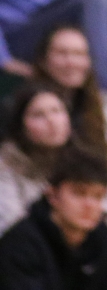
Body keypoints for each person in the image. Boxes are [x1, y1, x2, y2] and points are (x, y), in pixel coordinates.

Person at [0, 146, 107, 290]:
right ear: (52, 195)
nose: (89, 205)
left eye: (98, 196)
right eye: (79, 193)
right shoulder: (19, 244)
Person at [0, 82, 73, 234]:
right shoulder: (5, 169)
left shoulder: (85, 163)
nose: (52, 121)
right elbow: (10, 228)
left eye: (57, 111)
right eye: (38, 115)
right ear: (21, 126)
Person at [32, 26, 107, 153]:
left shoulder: (98, 106)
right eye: (62, 53)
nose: (71, 62)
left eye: (79, 54)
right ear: (43, 61)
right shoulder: (21, 107)